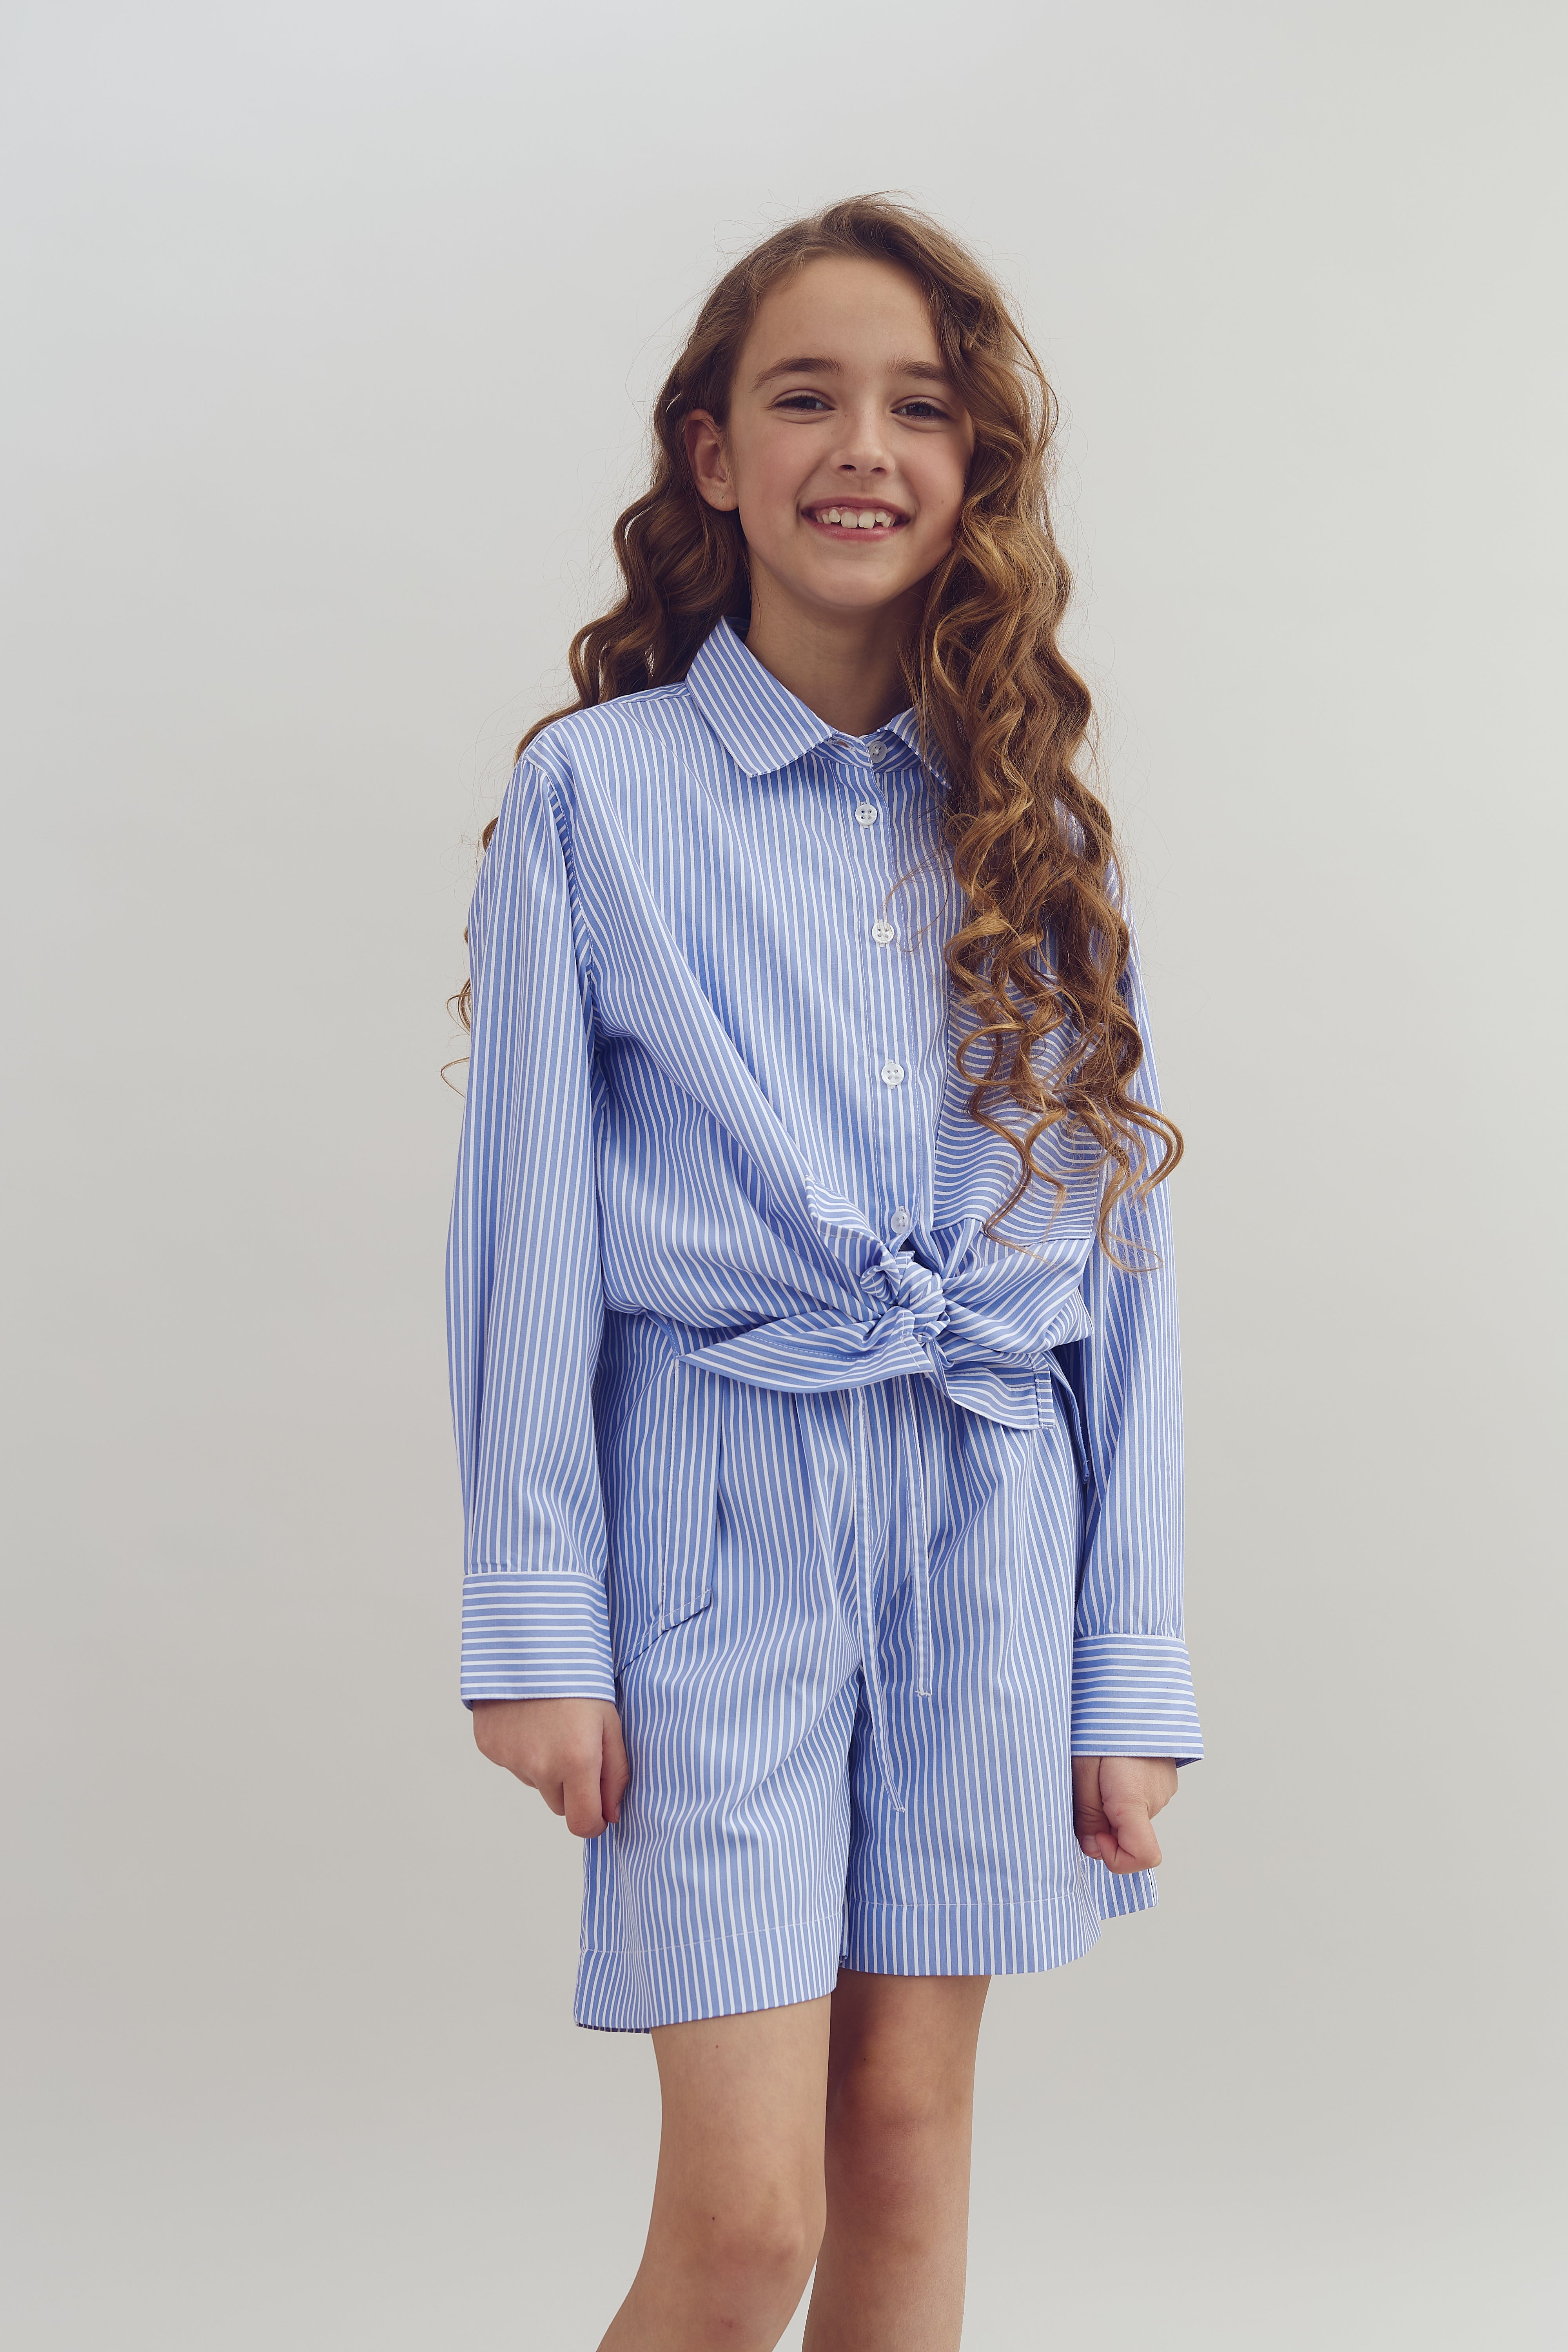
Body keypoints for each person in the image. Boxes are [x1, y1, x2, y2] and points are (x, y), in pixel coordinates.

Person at [446, 193, 1203, 2352]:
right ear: (712, 455)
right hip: (716, 1541)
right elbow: (527, 1240)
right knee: (749, 2218)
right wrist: (535, 1620)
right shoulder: (598, 802)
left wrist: (1125, 1667)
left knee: (902, 2173)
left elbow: (1125, 1273)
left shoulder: (1039, 829)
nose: (863, 443)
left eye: (922, 406)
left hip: (988, 1532)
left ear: (977, 473)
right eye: (805, 395)